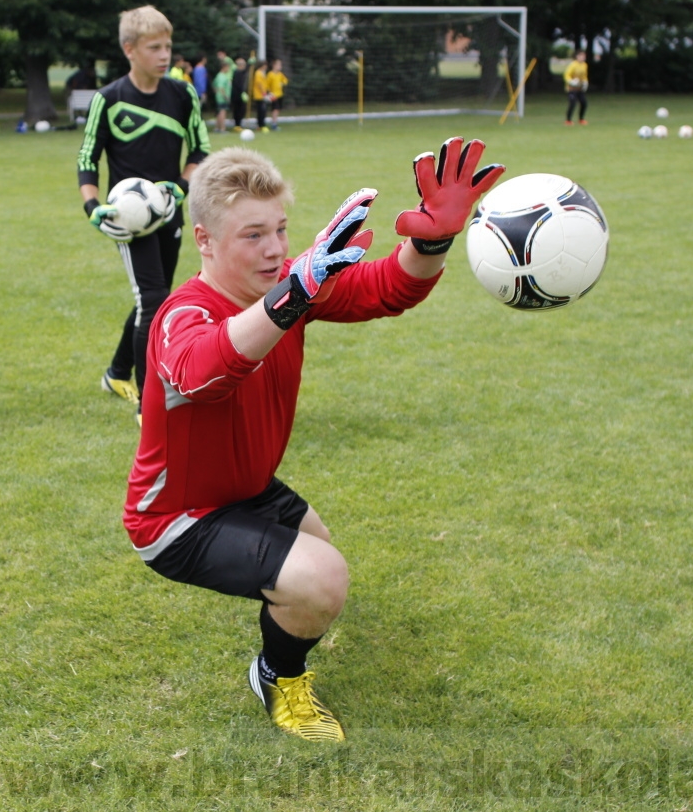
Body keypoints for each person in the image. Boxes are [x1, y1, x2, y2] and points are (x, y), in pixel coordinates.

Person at [123, 139, 504, 741]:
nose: (275, 249)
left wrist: (430, 242)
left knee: (319, 562)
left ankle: (285, 616)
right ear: (204, 240)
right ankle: (277, 676)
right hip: (176, 518)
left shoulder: (291, 288)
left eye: (280, 229)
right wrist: (291, 295)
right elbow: (205, 370)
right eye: (252, 235)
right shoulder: (183, 314)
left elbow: (388, 287)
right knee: (322, 578)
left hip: (247, 487)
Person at [76, 6, 211, 424]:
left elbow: (200, 149)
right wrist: (93, 206)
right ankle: (146, 400)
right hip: (127, 220)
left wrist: (181, 186)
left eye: (168, 46)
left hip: (168, 214)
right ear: (129, 49)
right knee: (153, 302)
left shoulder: (182, 94)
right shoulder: (109, 99)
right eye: (155, 47)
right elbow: (87, 157)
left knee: (152, 300)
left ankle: (116, 372)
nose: (164, 54)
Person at [564, 50, 589, 125]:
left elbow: (584, 76)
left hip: (580, 88)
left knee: (584, 103)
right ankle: (568, 120)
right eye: (581, 56)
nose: (583, 58)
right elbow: (566, 75)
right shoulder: (573, 65)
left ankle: (581, 119)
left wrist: (585, 82)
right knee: (572, 103)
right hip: (572, 88)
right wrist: (571, 81)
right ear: (577, 56)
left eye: (584, 56)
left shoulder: (584, 65)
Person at [265, 57, 289, 131]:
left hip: (280, 94)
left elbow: (285, 80)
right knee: (275, 109)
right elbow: (266, 85)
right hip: (273, 95)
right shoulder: (270, 74)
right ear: (274, 65)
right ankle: (274, 124)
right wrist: (269, 93)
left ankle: (274, 122)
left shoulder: (280, 74)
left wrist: (283, 83)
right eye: (279, 65)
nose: (280, 66)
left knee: (277, 109)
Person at [212, 58, 233, 132]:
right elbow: (221, 88)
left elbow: (214, 85)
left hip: (219, 97)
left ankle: (217, 128)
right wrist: (225, 96)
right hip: (222, 98)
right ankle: (222, 128)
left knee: (219, 112)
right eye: (228, 67)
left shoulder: (219, 75)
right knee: (222, 112)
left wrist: (216, 93)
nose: (228, 69)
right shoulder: (221, 76)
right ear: (224, 67)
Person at [230, 57, 249, 131]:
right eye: (243, 65)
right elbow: (238, 84)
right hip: (237, 95)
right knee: (238, 110)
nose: (244, 66)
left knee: (241, 110)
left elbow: (246, 71)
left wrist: (250, 64)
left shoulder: (241, 72)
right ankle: (237, 125)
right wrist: (242, 92)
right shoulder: (237, 72)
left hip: (240, 94)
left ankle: (239, 124)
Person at [251, 60, 269, 131]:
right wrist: (264, 93)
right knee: (261, 110)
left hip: (261, 95)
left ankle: (260, 125)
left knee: (261, 110)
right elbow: (259, 84)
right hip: (259, 95)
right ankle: (261, 125)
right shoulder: (258, 73)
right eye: (265, 65)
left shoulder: (261, 73)